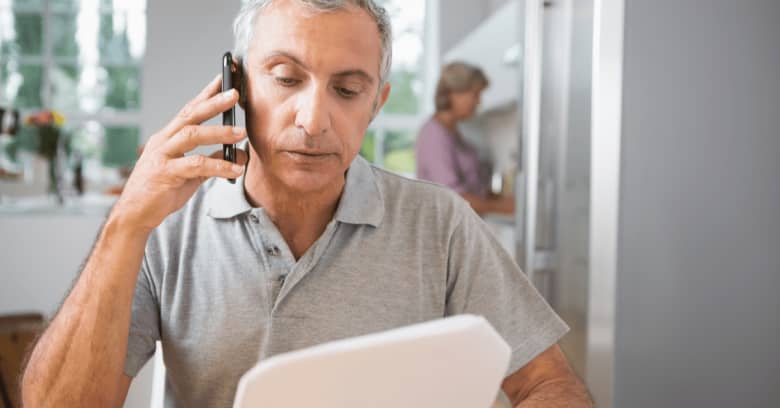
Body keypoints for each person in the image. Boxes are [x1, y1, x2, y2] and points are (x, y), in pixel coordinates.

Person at [21, 1, 591, 407]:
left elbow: (550, 386)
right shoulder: (167, 228)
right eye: (286, 78)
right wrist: (126, 224)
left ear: (376, 103)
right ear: (237, 86)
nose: (314, 120)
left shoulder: (440, 225)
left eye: (347, 91)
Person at [416, 62, 515, 215]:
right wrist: (500, 206)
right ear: (453, 93)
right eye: (475, 94)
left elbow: (473, 188)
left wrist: (498, 199)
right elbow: (452, 197)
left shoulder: (456, 132)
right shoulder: (433, 135)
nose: (478, 102)